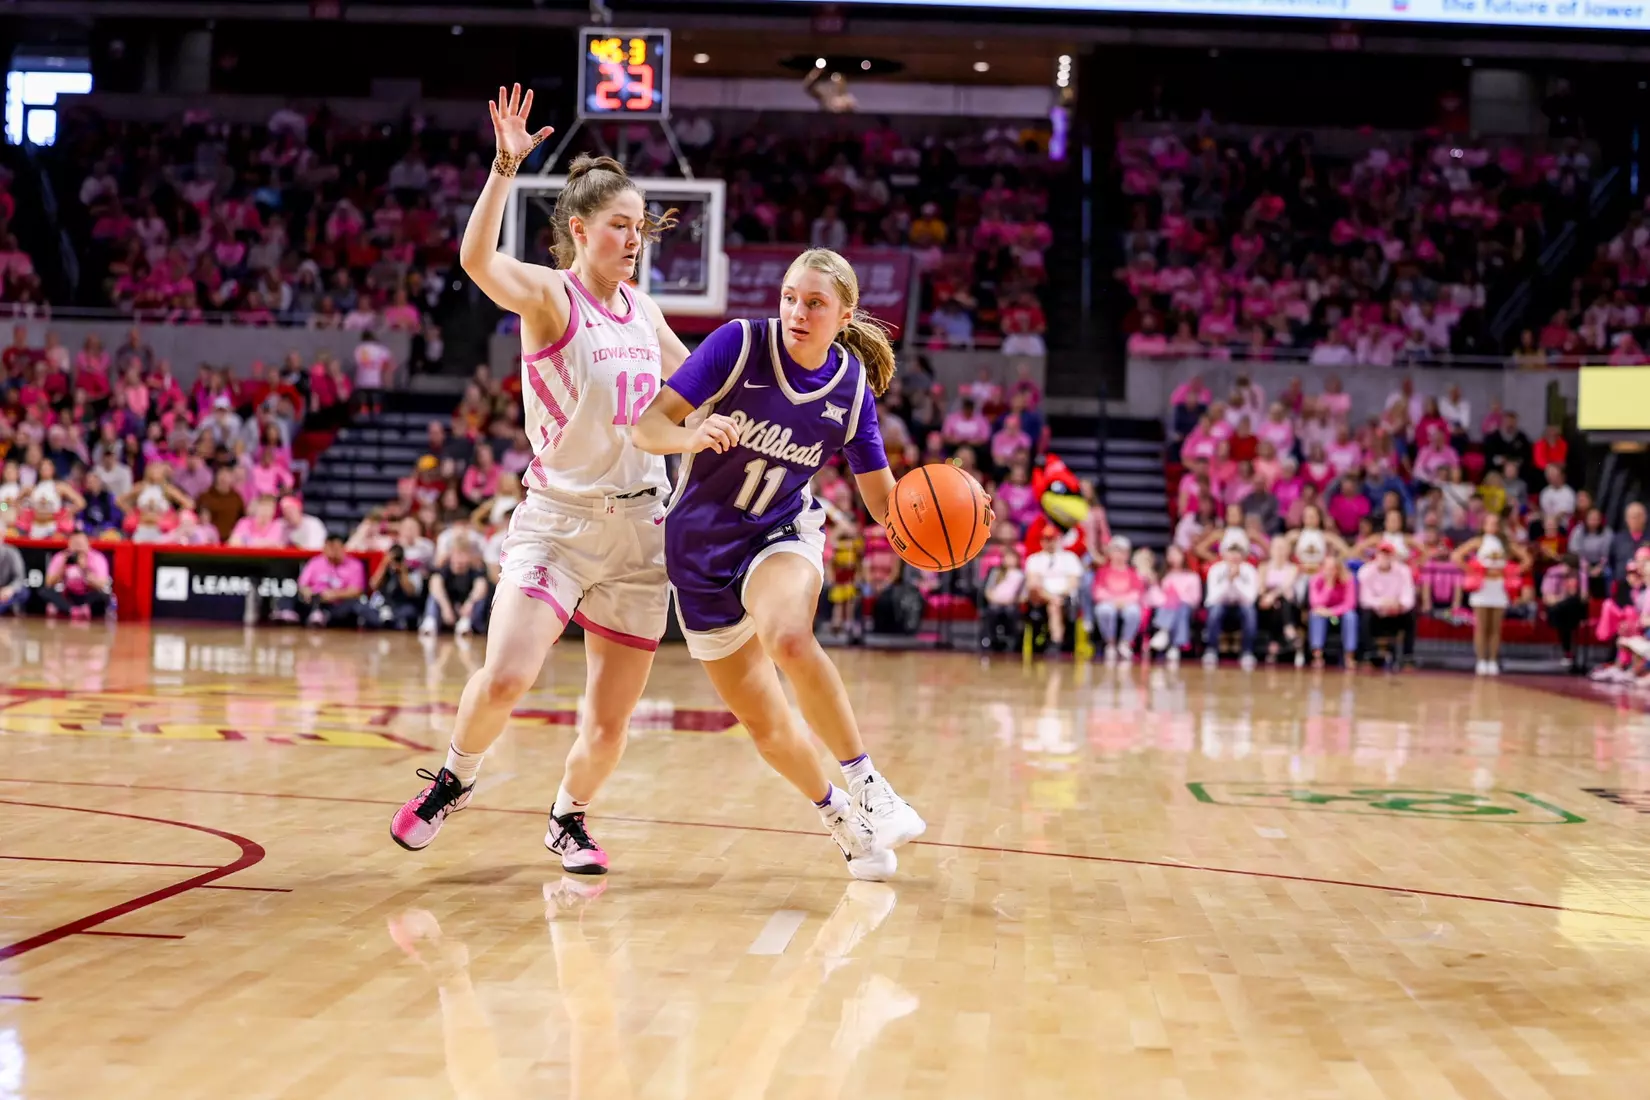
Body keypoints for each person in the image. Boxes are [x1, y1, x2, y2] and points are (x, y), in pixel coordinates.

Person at [391, 89, 697, 881]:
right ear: (580, 230)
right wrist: (504, 168)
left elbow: (704, 382)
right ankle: (455, 777)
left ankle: (569, 818)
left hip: (641, 534)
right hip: (558, 522)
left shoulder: (644, 310)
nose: (634, 238)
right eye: (620, 225)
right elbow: (476, 262)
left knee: (608, 722)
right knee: (505, 677)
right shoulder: (550, 295)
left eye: (640, 226)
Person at [633, 247, 948, 880]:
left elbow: (883, 501)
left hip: (779, 531)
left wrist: (934, 527)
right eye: (789, 298)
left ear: (844, 315)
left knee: (788, 635)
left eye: (814, 303)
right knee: (769, 727)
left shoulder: (850, 389)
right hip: (698, 554)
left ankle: (869, 784)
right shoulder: (739, 345)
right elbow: (648, 426)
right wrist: (690, 434)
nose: (797, 312)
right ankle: (841, 818)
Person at [1450, 511, 1531, 676]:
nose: (1493, 526)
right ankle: (1481, 660)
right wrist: (1473, 570)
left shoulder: (1506, 543)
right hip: (1482, 587)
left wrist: (1511, 572)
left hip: (1499, 586)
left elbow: (1527, 559)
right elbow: (1456, 556)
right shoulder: (1478, 541)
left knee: (1495, 627)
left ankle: (1492, 660)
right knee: (1481, 626)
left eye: (1496, 523)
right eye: (1490, 523)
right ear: (1484, 525)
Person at [278, 535, 368, 627]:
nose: (332, 552)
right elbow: (302, 583)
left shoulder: (355, 565)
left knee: (352, 606)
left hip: (338, 603)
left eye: (335, 548)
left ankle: (323, 617)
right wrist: (307, 591)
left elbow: (356, 591)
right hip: (314, 599)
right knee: (288, 597)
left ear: (342, 548)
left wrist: (334, 594)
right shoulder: (315, 562)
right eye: (329, 547)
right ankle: (288, 614)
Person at [1358, 541, 1416, 669]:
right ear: (1376, 555)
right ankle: (1369, 655)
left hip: (1397, 613)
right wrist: (1382, 603)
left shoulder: (1404, 571)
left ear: (1393, 556)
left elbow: (1408, 597)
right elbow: (1364, 599)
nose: (1384, 557)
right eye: (1382, 554)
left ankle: (1408, 657)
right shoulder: (1366, 571)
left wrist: (1399, 605)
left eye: (1388, 554)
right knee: (1365, 615)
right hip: (1376, 613)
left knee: (1411, 615)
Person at [1203, 539, 1259, 669]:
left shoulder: (1249, 570)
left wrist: (1236, 581)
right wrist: (1228, 580)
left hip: (1240, 608)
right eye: (1231, 553)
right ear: (1224, 554)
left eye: (1237, 553)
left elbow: (1250, 599)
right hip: (1221, 605)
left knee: (1249, 611)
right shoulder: (1216, 570)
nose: (1234, 557)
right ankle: (1211, 650)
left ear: (1243, 556)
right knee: (1215, 611)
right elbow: (1213, 599)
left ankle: (1247, 652)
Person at [421, 540, 490, 638]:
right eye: (457, 554)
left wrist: (469, 604)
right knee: (434, 596)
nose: (460, 559)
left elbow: (481, 586)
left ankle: (466, 624)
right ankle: (430, 622)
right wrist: (446, 608)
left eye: (463, 554)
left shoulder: (475, 572)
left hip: (466, 611)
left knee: (480, 598)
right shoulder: (444, 570)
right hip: (447, 610)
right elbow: (435, 584)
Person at [1090, 537, 1144, 663]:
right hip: (1108, 602)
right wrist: (1114, 600)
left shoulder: (1132, 572)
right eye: (1116, 551)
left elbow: (1137, 593)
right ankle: (1110, 643)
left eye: (1123, 551)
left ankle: (1125, 643)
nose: (1119, 555)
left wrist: (1123, 601)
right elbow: (1098, 592)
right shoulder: (1103, 571)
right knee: (1104, 610)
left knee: (1134, 612)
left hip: (1127, 603)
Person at [42, 530, 114, 621]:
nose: (78, 547)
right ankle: (71, 610)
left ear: (87, 544)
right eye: (75, 544)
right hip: (67, 595)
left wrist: (84, 569)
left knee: (104, 596)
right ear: (69, 544)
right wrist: (62, 569)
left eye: (80, 544)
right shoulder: (61, 557)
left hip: (87, 595)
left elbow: (102, 584)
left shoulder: (97, 558)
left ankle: (77, 609)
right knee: (44, 592)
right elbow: (48, 583)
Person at [1307, 547, 1358, 669]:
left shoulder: (1348, 579)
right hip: (1323, 616)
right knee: (1315, 615)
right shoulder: (1315, 580)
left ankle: (1349, 656)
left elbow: (1350, 604)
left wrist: (1331, 612)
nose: (1330, 572)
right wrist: (1328, 587)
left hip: (1339, 616)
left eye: (1333, 568)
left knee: (1351, 616)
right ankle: (1317, 656)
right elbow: (1315, 603)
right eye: (1327, 568)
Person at [0, 527, 27, 616]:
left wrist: (10, 589)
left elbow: (20, 577)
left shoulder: (12, 552)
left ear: (2, 535)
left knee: (24, 592)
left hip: (7, 589)